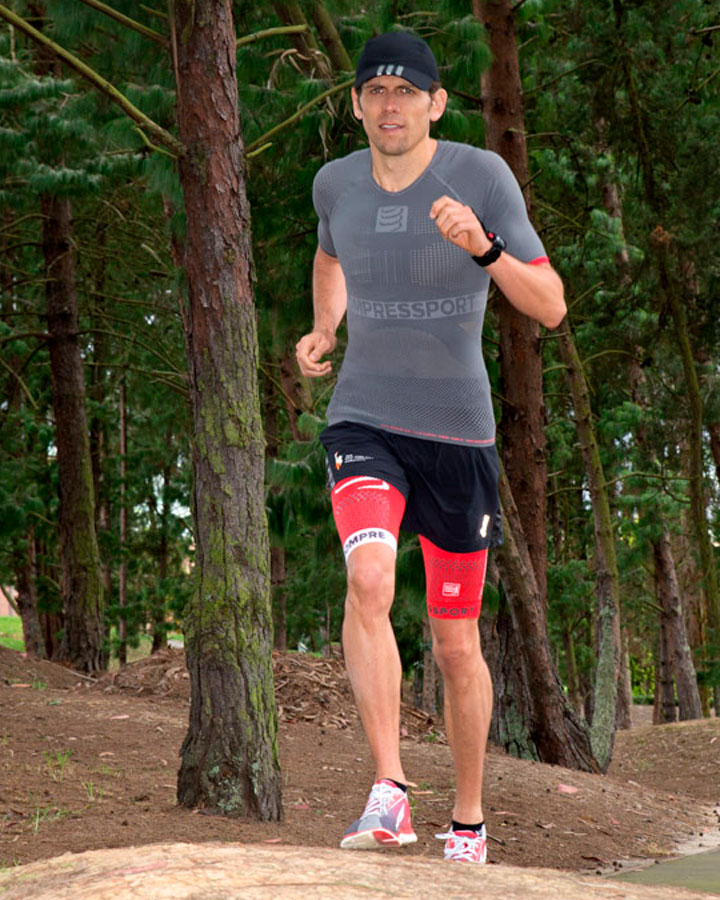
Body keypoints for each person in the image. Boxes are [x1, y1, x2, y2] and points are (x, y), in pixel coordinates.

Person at [295, 31, 566, 864]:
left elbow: (551, 305)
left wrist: (484, 247)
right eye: (374, 92)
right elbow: (329, 254)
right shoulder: (334, 182)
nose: (390, 105)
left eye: (406, 91)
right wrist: (324, 327)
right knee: (368, 575)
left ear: (436, 103)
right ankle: (390, 789)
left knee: (455, 643)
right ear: (355, 104)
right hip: (364, 419)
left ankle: (470, 820)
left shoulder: (481, 176)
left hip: (457, 432)